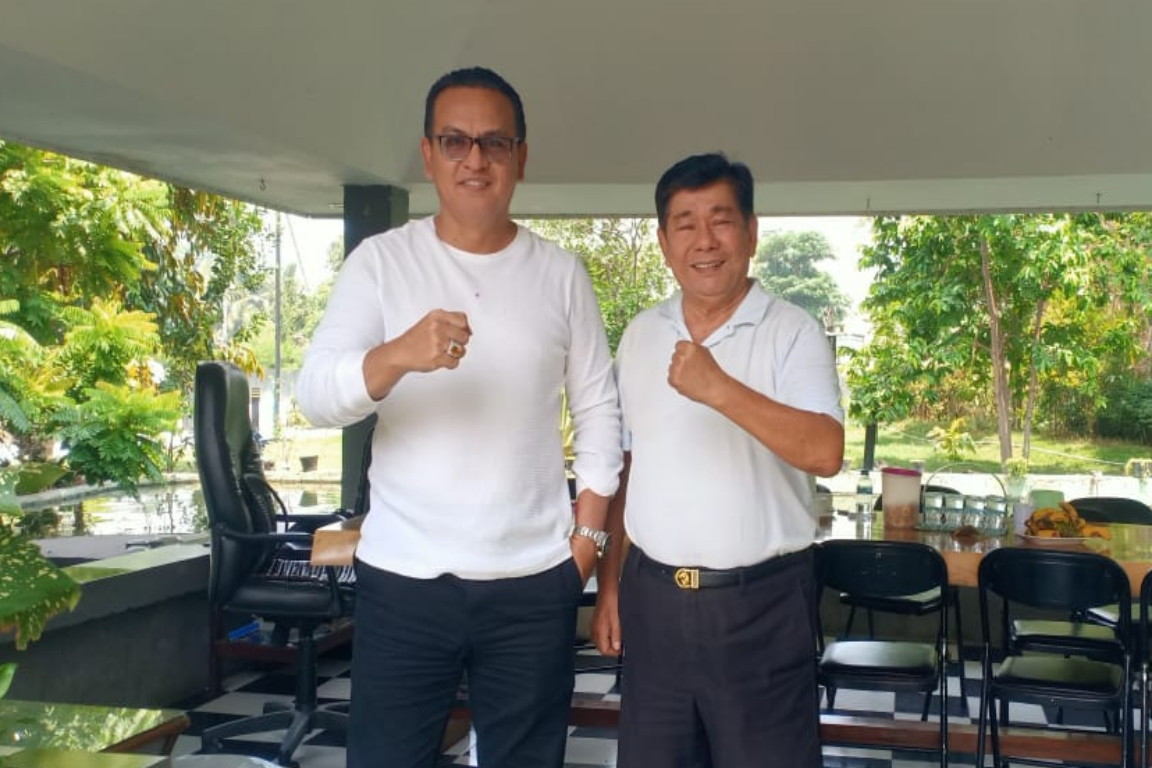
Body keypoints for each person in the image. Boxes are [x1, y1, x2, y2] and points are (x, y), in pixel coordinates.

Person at [296, 66, 622, 768]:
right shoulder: (381, 263)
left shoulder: (561, 274)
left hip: (534, 580)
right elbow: (317, 395)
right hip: (404, 579)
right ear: (428, 154)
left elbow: (601, 414)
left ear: (520, 158)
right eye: (455, 141)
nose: (475, 159)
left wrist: (586, 545)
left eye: (494, 142)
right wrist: (398, 354)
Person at [590, 152, 845, 768]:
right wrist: (610, 583)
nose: (704, 241)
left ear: (751, 233)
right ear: (663, 243)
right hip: (653, 601)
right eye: (685, 224)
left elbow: (825, 450)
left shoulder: (793, 332)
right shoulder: (641, 334)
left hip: (761, 607)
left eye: (721, 220)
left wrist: (719, 388)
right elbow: (626, 466)